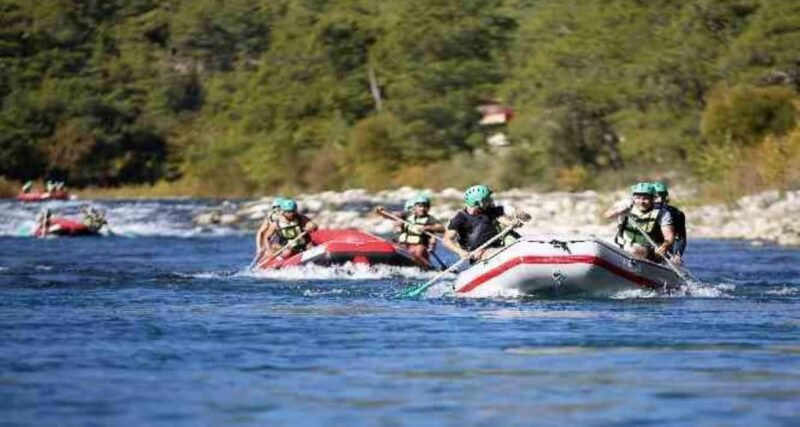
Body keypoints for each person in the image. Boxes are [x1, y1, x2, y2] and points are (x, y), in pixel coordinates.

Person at [442, 185, 530, 262]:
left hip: (498, 245)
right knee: (488, 252)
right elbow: (446, 240)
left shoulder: (489, 210)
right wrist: (460, 251)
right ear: (478, 203)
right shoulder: (459, 219)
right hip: (480, 253)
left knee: (511, 237)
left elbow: (504, 220)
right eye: (487, 199)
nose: (490, 200)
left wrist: (514, 223)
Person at [617, 182, 676, 262]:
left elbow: (670, 237)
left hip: (650, 249)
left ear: (652, 199)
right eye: (638, 197)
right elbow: (607, 215)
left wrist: (664, 246)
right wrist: (619, 211)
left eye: (645, 198)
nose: (641, 201)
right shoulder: (627, 207)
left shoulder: (663, 213)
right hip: (625, 246)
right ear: (633, 198)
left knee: (633, 251)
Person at [258, 198, 318, 263]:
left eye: (293, 211)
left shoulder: (300, 218)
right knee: (288, 252)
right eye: (288, 211)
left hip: (303, 244)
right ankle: (278, 261)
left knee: (311, 247)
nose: (291, 213)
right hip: (286, 246)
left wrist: (312, 226)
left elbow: (313, 225)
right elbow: (266, 238)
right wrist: (269, 250)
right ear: (284, 211)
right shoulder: (276, 223)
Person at [394, 195, 445, 267]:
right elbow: (395, 215)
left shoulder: (429, 219)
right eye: (420, 206)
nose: (423, 208)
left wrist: (427, 227)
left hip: (420, 247)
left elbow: (442, 228)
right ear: (415, 207)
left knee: (418, 250)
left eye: (425, 206)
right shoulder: (408, 216)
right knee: (397, 246)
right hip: (406, 246)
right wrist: (381, 211)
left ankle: (425, 265)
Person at [652, 182, 687, 264]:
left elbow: (680, 237)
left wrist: (677, 254)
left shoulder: (677, 214)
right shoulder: (640, 211)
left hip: (666, 248)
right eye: (655, 196)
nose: (659, 199)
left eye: (662, 196)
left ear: (666, 197)